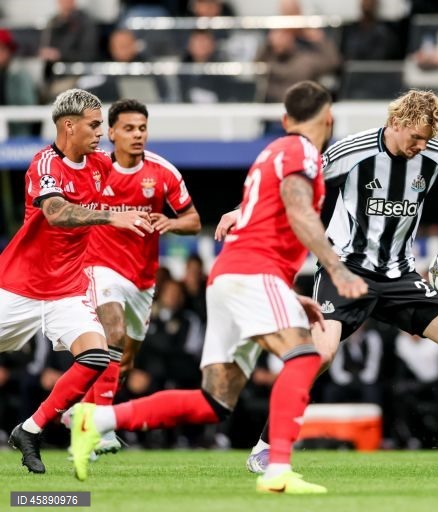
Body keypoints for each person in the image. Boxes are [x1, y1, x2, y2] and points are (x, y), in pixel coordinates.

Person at [69, 81, 368, 494]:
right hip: (252, 273)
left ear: (284, 119)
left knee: (213, 401)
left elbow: (266, 219)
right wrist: (337, 268)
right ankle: (277, 469)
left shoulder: (273, 151)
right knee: (304, 356)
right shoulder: (303, 153)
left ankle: (97, 419)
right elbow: (299, 210)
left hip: (233, 276)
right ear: (329, 120)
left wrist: (289, 293)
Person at [240, 89, 438, 473]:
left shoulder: (436, 156)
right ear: (396, 123)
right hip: (345, 268)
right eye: (416, 137)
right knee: (320, 354)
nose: (421, 146)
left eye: (427, 139)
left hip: (399, 274)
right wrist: (240, 211)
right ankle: (264, 447)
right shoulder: (352, 151)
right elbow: (295, 186)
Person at [0, 88, 153, 473]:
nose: (101, 132)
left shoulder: (101, 164)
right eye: (94, 124)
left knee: (98, 355)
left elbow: (142, 170)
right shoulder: (44, 164)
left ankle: (30, 429)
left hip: (67, 288)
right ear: (69, 126)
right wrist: (110, 217)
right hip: (19, 285)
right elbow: (56, 213)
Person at [80, 98, 201, 454]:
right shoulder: (92, 168)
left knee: (124, 360)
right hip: (100, 267)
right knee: (111, 334)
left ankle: (84, 416)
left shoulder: (162, 173)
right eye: (129, 129)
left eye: (142, 128)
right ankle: (100, 429)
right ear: (112, 132)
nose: (137, 135)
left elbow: (193, 220)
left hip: (143, 280)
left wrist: (171, 222)